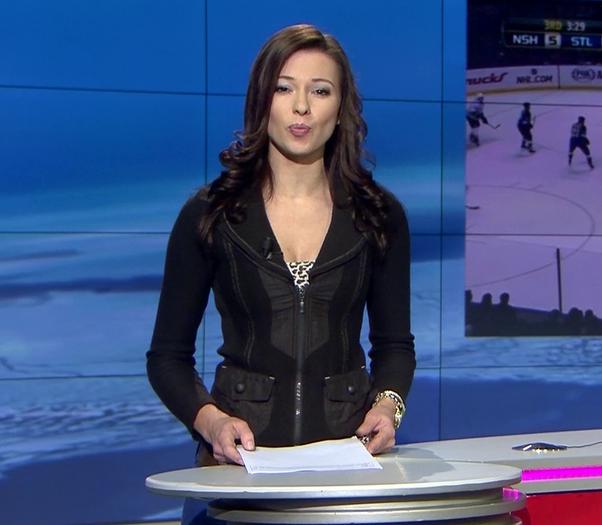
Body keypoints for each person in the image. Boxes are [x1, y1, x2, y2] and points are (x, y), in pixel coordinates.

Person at [147, 24, 415, 524]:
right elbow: (167, 358)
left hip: (346, 475)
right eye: (284, 88)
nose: (301, 108)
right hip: (236, 477)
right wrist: (212, 422)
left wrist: (387, 408)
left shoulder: (378, 216)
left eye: (320, 91)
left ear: (342, 107)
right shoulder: (211, 214)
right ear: (261, 100)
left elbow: (395, 346)